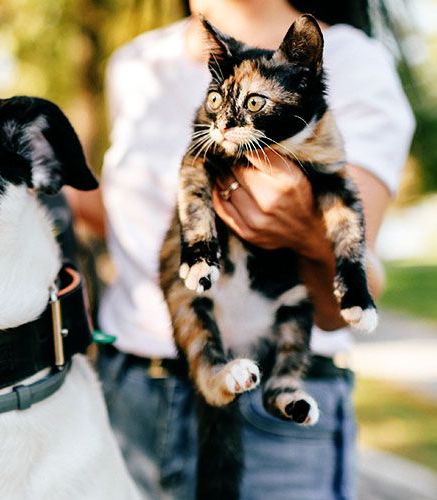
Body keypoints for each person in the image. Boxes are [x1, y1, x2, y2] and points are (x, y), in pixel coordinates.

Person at [65, 0, 415, 498]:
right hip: (129, 393)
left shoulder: (354, 61)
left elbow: (338, 304)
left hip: (273, 407)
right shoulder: (135, 62)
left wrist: (301, 228)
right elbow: (129, 217)